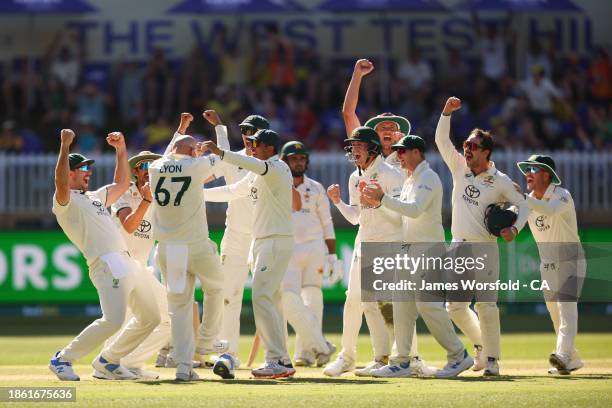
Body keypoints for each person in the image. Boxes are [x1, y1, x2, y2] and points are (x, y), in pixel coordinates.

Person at [49, 129, 160, 381]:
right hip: (106, 264)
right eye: (82, 169)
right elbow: (60, 181)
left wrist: (121, 150)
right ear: (70, 173)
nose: (88, 173)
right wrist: (65, 145)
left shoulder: (95, 197)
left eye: (88, 168)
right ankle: (62, 359)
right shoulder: (64, 202)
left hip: (127, 261)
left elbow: (121, 184)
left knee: (151, 317)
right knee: (113, 320)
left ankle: (108, 361)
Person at [361, 135, 474, 378]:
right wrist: (378, 204)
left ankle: (459, 355)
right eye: (398, 152)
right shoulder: (410, 179)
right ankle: (401, 360)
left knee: (428, 305)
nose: (399, 156)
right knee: (402, 305)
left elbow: (414, 211)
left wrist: (382, 199)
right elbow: (402, 215)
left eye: (403, 152)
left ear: (417, 153)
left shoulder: (428, 178)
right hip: (409, 250)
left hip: (428, 250)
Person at [323, 126, 432, 377]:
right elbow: (355, 218)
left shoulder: (391, 174)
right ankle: (353, 357)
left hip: (391, 244)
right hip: (366, 244)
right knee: (357, 301)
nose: (354, 151)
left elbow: (400, 214)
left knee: (396, 305)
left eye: (359, 146)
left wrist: (378, 202)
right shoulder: (354, 177)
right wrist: (338, 202)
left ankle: (412, 359)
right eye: (352, 147)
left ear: (372, 148)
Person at [435, 96, 529, 376]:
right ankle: (481, 346)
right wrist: (446, 114)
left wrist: (514, 228)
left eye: (473, 146)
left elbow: (522, 204)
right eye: (465, 145)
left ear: (486, 152)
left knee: (487, 305)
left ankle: (492, 361)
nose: (467, 150)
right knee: (455, 307)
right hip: (458, 245)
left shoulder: (500, 180)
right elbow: (441, 142)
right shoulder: (460, 169)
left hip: (484, 247)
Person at [203, 129, 295, 379]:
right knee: (268, 299)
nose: (251, 147)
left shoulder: (276, 167)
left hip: (274, 241)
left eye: (256, 144)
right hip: (265, 242)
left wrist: (220, 152)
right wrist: (196, 195)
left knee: (262, 297)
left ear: (269, 148)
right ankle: (282, 359)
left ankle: (276, 360)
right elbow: (232, 191)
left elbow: (247, 161)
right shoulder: (258, 174)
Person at [148, 113, 224, 381]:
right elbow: (223, 160)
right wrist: (219, 131)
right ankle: (206, 343)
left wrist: (181, 131)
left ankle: (183, 366)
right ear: (192, 151)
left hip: (169, 248)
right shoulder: (196, 166)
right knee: (217, 288)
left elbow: (170, 152)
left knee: (179, 308)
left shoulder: (155, 168)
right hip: (196, 245)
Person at [92, 150, 172, 380]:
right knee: (122, 320)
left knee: (168, 318)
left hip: (140, 266)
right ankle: (108, 365)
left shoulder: (163, 194)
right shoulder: (125, 194)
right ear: (135, 172)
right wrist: (147, 200)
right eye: (144, 167)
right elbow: (129, 225)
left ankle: (129, 364)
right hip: (120, 264)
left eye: (153, 166)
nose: (149, 171)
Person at [202, 112, 270, 366]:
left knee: (269, 297)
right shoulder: (234, 159)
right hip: (235, 235)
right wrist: (220, 127)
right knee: (229, 296)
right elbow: (222, 157)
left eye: (252, 130)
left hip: (263, 236)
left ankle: (279, 356)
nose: (247, 134)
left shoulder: (273, 163)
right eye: (244, 130)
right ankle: (227, 354)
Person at [517, 154, 585, 375]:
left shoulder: (562, 195)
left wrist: (521, 199)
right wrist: (504, 224)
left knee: (566, 310)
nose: (528, 173)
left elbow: (550, 210)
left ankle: (563, 355)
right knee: (555, 314)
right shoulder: (528, 200)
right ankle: (572, 358)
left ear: (547, 175)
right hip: (547, 265)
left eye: (533, 170)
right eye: (527, 169)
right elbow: (515, 219)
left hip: (570, 260)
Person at [279, 140, 340, 367]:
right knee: (291, 301)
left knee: (313, 298)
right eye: (293, 159)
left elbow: (327, 222)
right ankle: (319, 345)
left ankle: (305, 352)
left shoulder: (315, 188)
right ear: (285, 162)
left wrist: (333, 256)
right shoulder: (277, 186)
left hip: (314, 248)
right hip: (289, 249)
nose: (298, 162)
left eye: (301, 158)